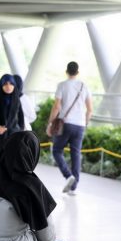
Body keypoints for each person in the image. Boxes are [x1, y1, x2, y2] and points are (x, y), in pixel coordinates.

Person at [46, 61, 93, 195]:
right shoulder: (85, 86)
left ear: (67, 71)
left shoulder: (62, 85)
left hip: (65, 124)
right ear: (77, 72)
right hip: (80, 125)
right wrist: (85, 122)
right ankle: (73, 187)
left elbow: (56, 107)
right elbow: (90, 110)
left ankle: (68, 176)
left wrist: (50, 123)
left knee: (56, 150)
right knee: (76, 154)